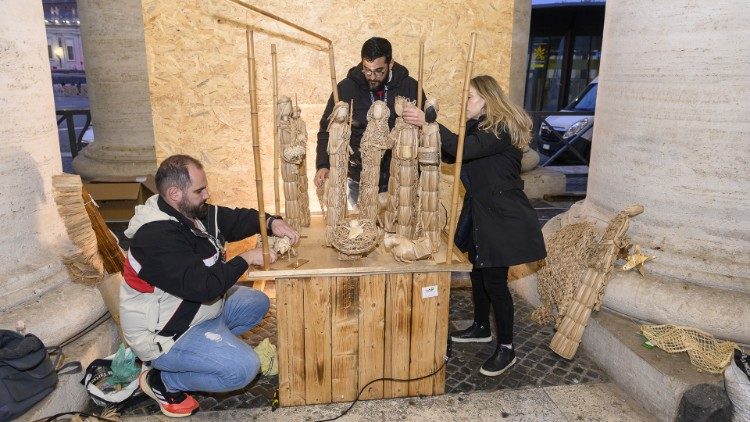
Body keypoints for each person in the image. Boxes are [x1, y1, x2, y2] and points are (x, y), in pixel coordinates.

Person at [119, 154, 299, 417]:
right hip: (166, 334)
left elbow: (235, 219)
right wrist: (246, 258)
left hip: (194, 312)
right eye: (200, 190)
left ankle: (211, 348)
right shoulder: (155, 237)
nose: (207, 194)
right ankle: (163, 381)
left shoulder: (190, 212)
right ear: (174, 193)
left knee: (256, 301)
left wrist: (272, 222)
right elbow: (204, 287)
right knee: (243, 370)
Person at [403, 75, 546, 377]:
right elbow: (453, 153)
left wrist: (427, 124)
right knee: (479, 270)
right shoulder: (478, 127)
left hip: (502, 214)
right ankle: (482, 327)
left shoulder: (501, 130)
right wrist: (426, 133)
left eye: (470, 96)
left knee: (495, 280)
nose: (465, 102)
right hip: (481, 210)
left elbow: (462, 149)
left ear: (486, 99)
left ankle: (507, 348)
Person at [315, 37, 424, 206]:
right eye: (367, 70)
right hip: (360, 179)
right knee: (362, 230)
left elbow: (424, 130)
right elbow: (326, 130)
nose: (372, 76)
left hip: (402, 180)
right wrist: (323, 164)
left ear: (391, 64)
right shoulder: (346, 88)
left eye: (379, 71)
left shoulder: (410, 87)